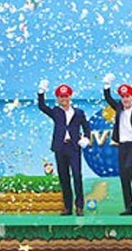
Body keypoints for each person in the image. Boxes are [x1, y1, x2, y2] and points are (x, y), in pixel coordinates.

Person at [37, 80, 91, 216]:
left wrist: (86, 138)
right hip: (60, 147)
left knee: (77, 176)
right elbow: (42, 106)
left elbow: (86, 127)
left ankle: (79, 206)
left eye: (66, 96)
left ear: (70, 97)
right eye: (61, 97)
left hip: (73, 147)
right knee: (64, 177)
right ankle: (67, 207)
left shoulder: (79, 112)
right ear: (58, 98)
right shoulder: (56, 112)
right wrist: (41, 92)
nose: (64, 99)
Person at [103, 75, 132, 215]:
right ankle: (129, 208)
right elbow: (108, 98)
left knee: (128, 167)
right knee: (124, 176)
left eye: (127, 96)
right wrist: (107, 84)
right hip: (122, 144)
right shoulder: (119, 108)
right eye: (123, 97)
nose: (125, 99)